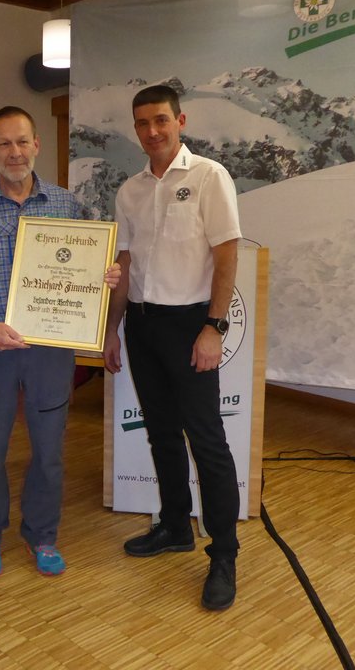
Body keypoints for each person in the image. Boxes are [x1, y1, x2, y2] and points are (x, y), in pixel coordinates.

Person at [0, 106, 119, 578]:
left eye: (22, 141)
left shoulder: (66, 205)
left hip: (50, 347)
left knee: (48, 449)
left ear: (37, 145)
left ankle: (42, 534)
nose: (15, 152)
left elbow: (87, 269)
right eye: (4, 143)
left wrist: (104, 274)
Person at [103, 84, 242, 611]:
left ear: (180, 121)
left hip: (190, 325)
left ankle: (224, 555)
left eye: (161, 120)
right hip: (142, 325)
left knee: (207, 441)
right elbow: (126, 266)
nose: (152, 131)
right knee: (161, 432)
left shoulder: (209, 176)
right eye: (142, 123)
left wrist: (214, 327)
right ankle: (175, 525)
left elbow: (226, 256)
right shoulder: (129, 191)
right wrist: (113, 329)